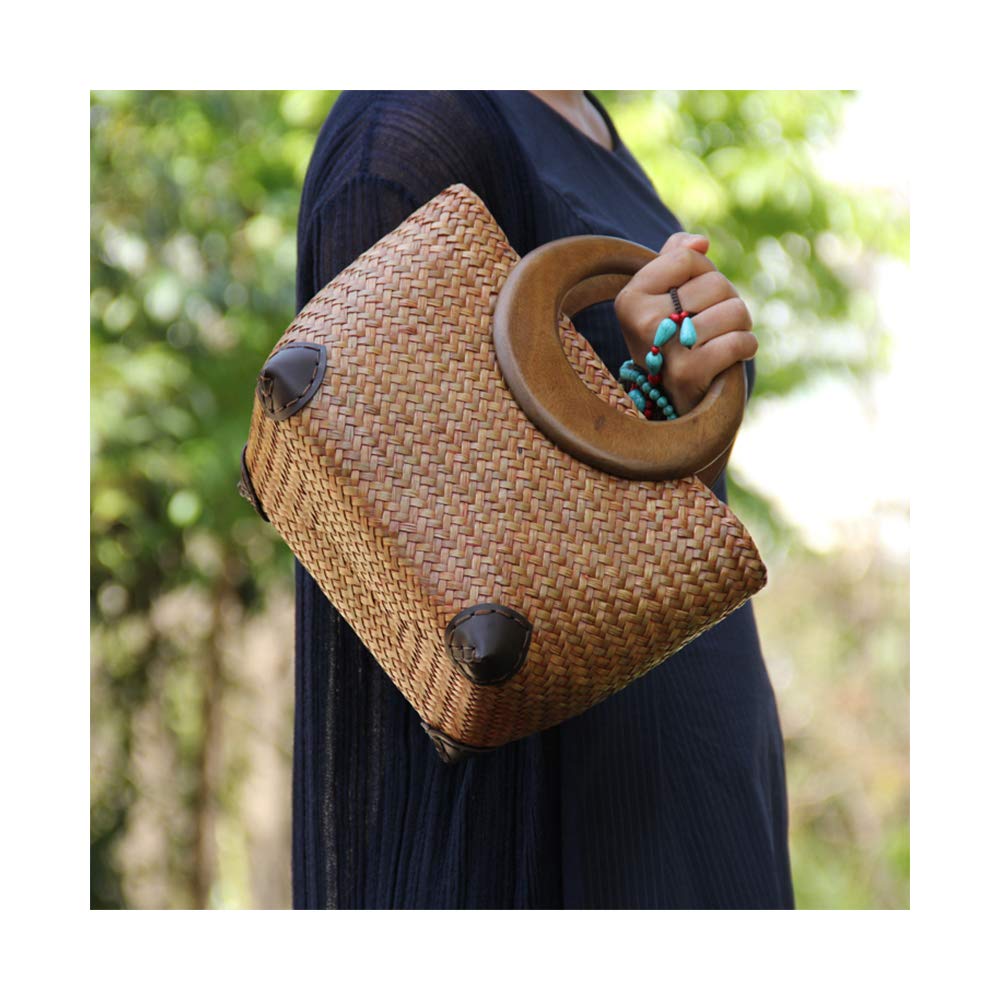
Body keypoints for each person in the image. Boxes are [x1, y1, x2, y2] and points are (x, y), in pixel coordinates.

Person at [293, 90, 794, 909]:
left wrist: (669, 405)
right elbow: (405, 567)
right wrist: (640, 407)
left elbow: (641, 508)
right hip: (570, 820)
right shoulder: (412, 131)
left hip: (701, 759)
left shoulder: (583, 117)